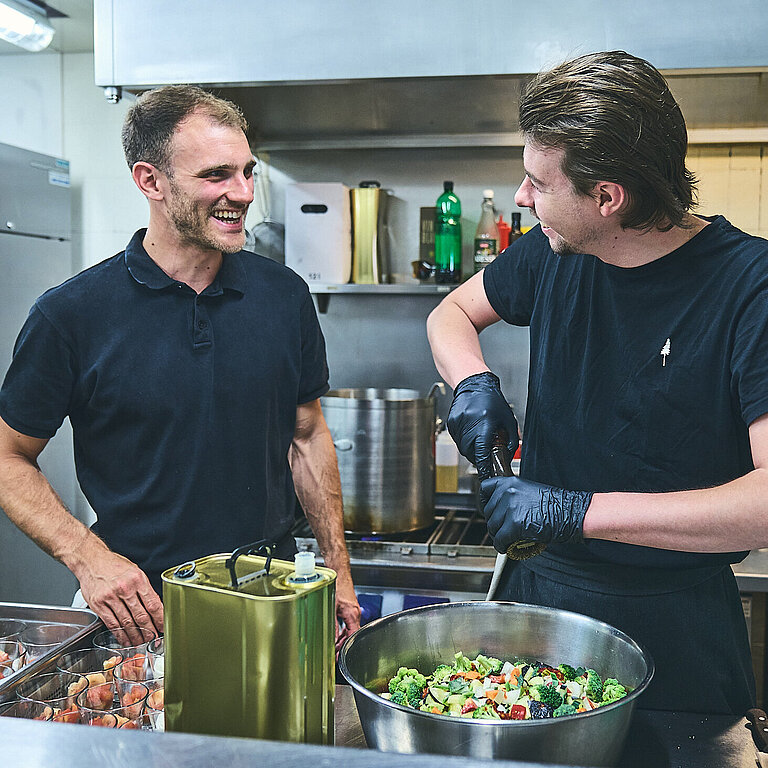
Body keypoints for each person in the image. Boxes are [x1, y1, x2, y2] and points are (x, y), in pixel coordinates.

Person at [427, 50, 768, 715]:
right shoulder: (554, 249)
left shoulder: (749, 287)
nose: (523, 197)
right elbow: (451, 313)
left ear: (608, 197)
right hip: (539, 608)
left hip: (678, 630)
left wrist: (573, 510)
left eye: (538, 183)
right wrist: (474, 384)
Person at [0, 85, 360, 644]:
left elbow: (308, 434)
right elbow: (7, 458)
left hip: (272, 599)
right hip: (139, 612)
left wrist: (336, 569)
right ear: (151, 181)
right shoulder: (70, 314)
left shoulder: (284, 296)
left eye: (247, 172)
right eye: (216, 175)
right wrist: (88, 557)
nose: (241, 193)